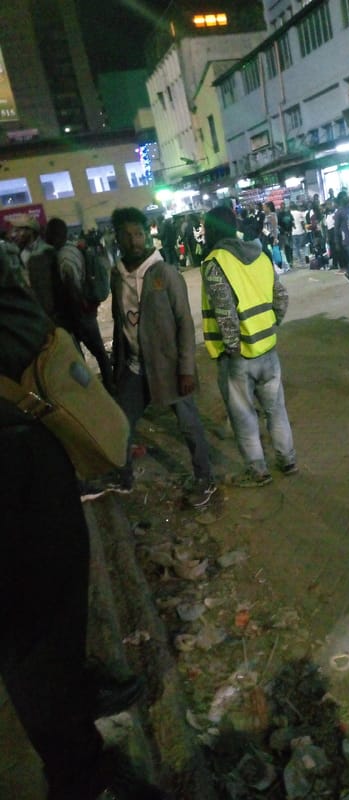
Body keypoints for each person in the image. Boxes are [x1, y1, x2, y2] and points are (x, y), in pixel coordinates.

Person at [0, 257, 168, 800]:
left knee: (63, 585)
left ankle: (72, 686)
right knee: (31, 631)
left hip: (30, 432)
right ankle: (81, 776)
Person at [108, 207, 216, 509]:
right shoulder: (117, 276)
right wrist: (117, 366)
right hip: (133, 368)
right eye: (127, 235)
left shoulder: (165, 273)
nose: (134, 241)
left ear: (147, 234)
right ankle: (123, 478)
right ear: (116, 238)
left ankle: (205, 478)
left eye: (139, 234)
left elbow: (185, 323)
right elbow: (120, 323)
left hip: (168, 367)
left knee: (189, 425)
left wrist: (186, 369)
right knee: (121, 425)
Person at [200, 205, 297, 487]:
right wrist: (270, 324)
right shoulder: (261, 254)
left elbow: (224, 312)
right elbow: (281, 297)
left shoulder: (215, 262)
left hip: (239, 356)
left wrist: (231, 349)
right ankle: (288, 460)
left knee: (243, 416)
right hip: (268, 348)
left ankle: (258, 471)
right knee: (276, 409)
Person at [44, 217, 114, 392]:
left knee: (83, 356)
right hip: (84, 312)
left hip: (78, 314)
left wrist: (77, 317)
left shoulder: (64, 257)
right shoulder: (72, 249)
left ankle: (100, 390)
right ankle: (110, 385)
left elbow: (72, 287)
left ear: (53, 235)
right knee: (98, 352)